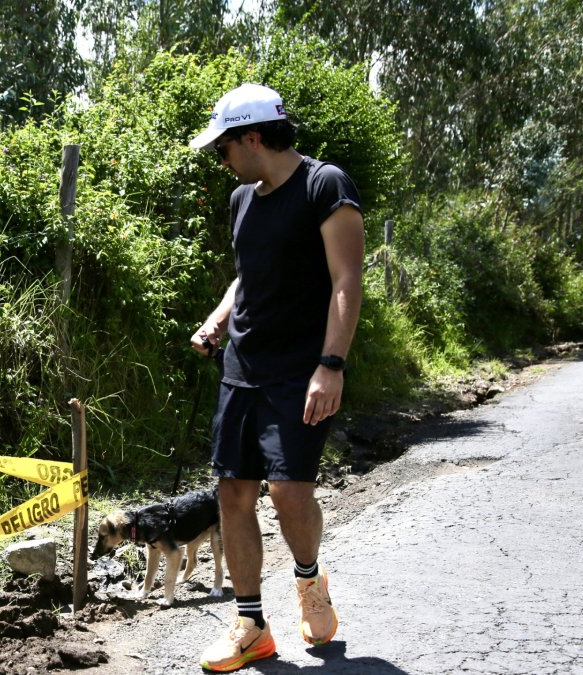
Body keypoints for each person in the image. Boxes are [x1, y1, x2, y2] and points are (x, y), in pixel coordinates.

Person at [187, 83, 364, 672]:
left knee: (289, 490)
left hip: (302, 369)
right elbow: (247, 278)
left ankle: (310, 583)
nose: (222, 160)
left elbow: (345, 282)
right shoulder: (242, 199)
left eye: (224, 147)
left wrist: (331, 365)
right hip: (243, 367)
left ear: (253, 137)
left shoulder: (324, 186)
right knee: (232, 491)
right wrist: (217, 321)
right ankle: (251, 624)